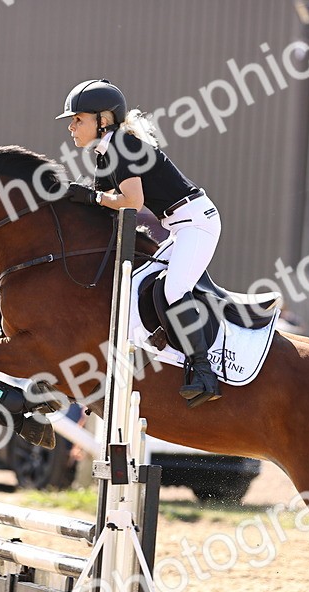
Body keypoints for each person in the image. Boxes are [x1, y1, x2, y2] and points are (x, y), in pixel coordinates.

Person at [57, 79, 223, 408]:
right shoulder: (106, 153)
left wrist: (91, 195)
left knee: (174, 290)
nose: (72, 127)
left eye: (78, 119)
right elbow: (102, 209)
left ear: (103, 120)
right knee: (138, 293)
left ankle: (204, 373)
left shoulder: (122, 146)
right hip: (179, 226)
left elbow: (131, 202)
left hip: (197, 224)